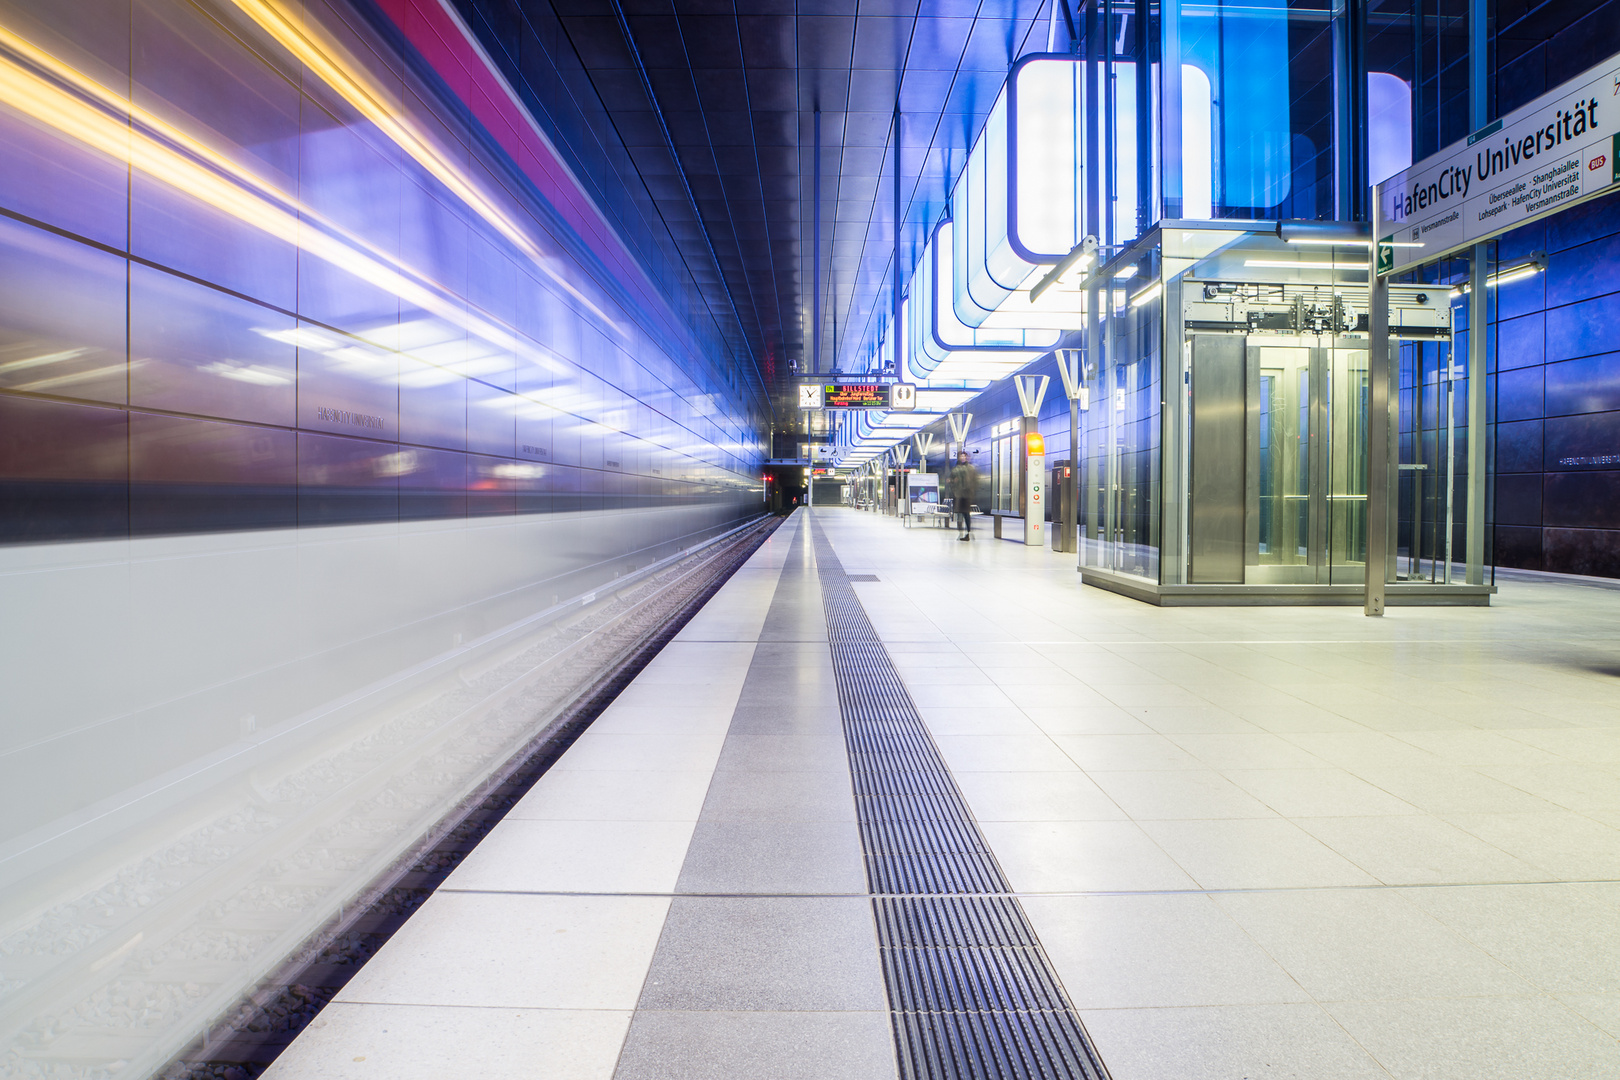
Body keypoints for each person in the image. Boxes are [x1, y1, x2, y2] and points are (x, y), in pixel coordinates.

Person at [949, 450, 979, 541]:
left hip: (966, 495)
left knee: (966, 514)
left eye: (964, 456)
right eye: (961, 456)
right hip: (959, 495)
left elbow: (974, 481)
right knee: (959, 514)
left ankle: (967, 532)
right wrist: (954, 488)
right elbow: (951, 481)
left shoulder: (970, 469)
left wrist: (972, 491)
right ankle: (961, 532)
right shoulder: (956, 469)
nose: (963, 458)